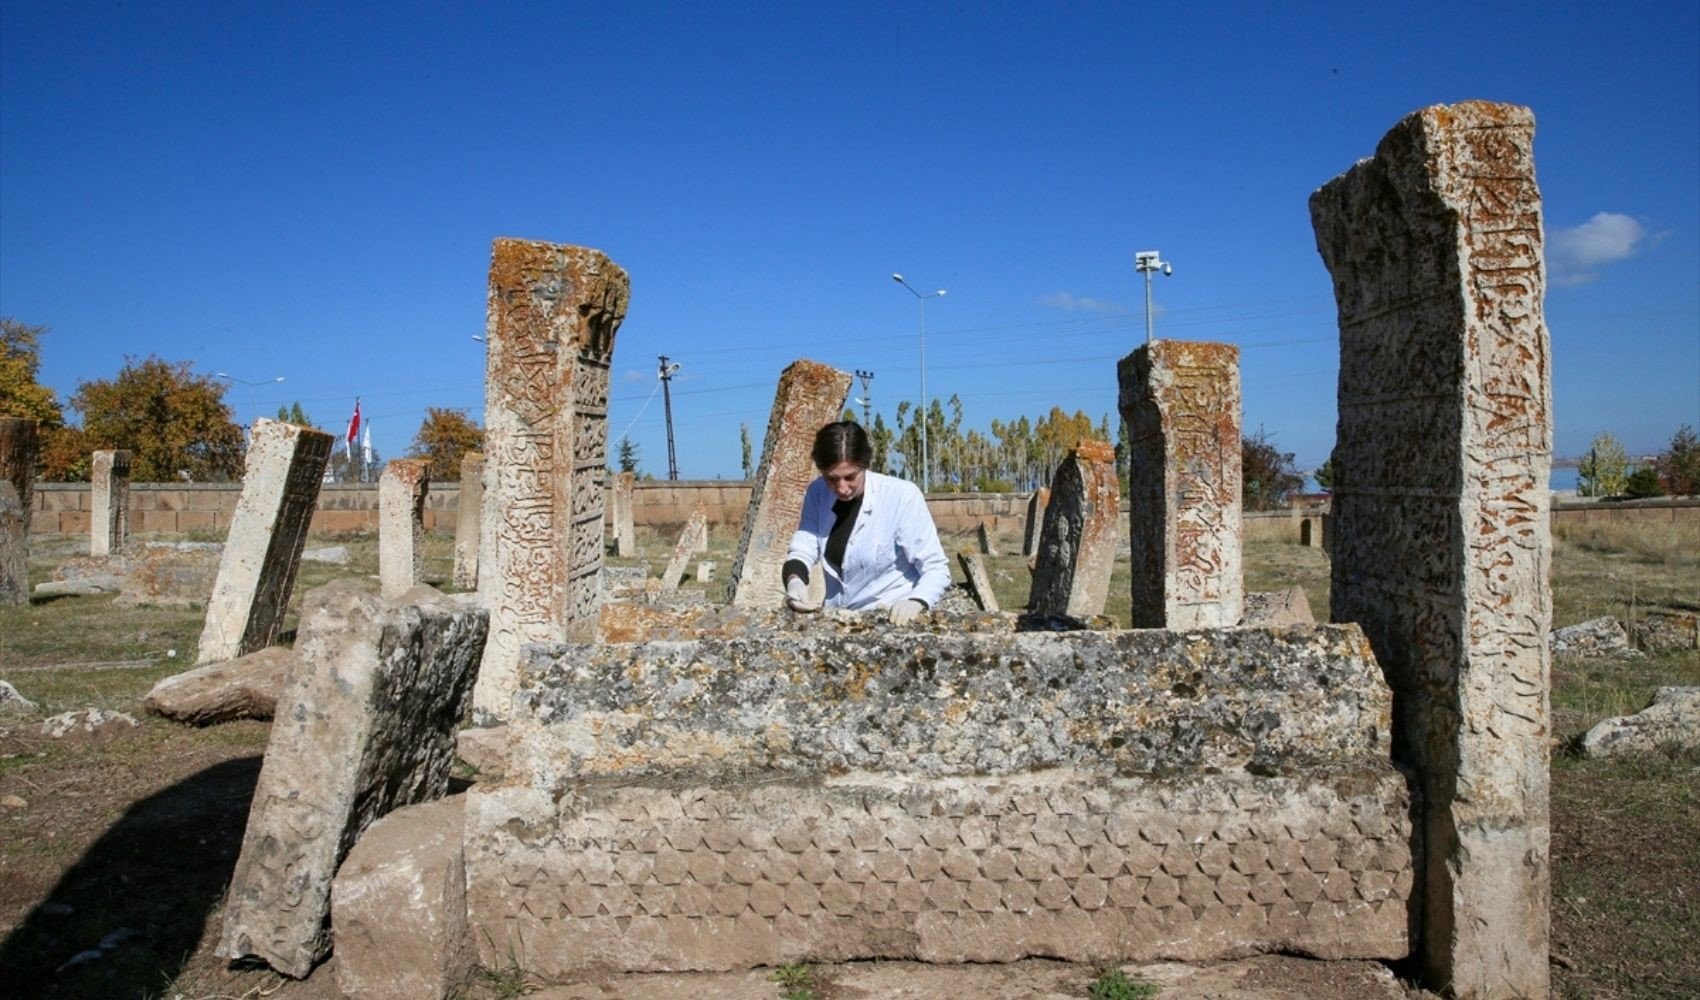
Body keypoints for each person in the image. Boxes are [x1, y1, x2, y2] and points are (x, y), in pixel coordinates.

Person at [782, 421, 950, 622]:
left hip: (892, 616)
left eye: (850, 477)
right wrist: (795, 580)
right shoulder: (817, 492)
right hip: (839, 618)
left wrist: (917, 601)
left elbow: (935, 567)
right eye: (832, 479)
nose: (842, 488)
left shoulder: (901, 496)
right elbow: (804, 546)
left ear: (865, 465)